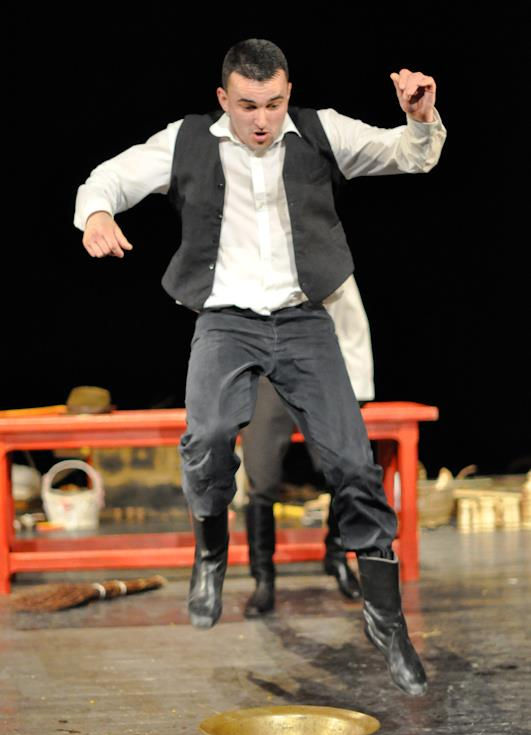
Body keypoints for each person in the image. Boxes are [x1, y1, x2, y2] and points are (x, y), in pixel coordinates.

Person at [75, 39, 446, 696]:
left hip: (305, 321)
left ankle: (387, 624)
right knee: (209, 437)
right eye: (248, 105)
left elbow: (408, 155)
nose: (262, 119)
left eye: (273, 104)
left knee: (353, 464)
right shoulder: (187, 141)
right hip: (226, 321)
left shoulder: (320, 131)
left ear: (287, 93)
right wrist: (97, 213)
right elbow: (108, 178)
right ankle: (212, 552)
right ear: (224, 98)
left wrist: (419, 119)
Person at [241, 274, 374, 616]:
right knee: (261, 477)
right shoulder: (247, 250)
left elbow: (350, 318)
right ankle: (263, 578)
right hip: (264, 371)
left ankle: (337, 555)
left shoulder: (317, 248)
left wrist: (356, 389)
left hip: (319, 366)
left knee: (343, 469)